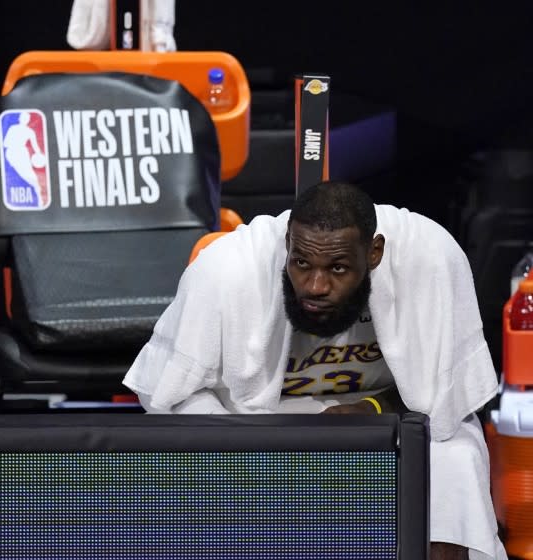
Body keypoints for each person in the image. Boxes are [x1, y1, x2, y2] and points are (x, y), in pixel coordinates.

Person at [124, 181, 507, 560]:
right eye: (301, 263)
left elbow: (444, 399)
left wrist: (377, 410)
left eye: (338, 267)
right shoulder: (227, 271)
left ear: (374, 254)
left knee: (455, 457)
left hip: (385, 416)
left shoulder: (428, 261)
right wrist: (244, 446)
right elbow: (166, 393)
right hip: (256, 421)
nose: (315, 286)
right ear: (288, 243)